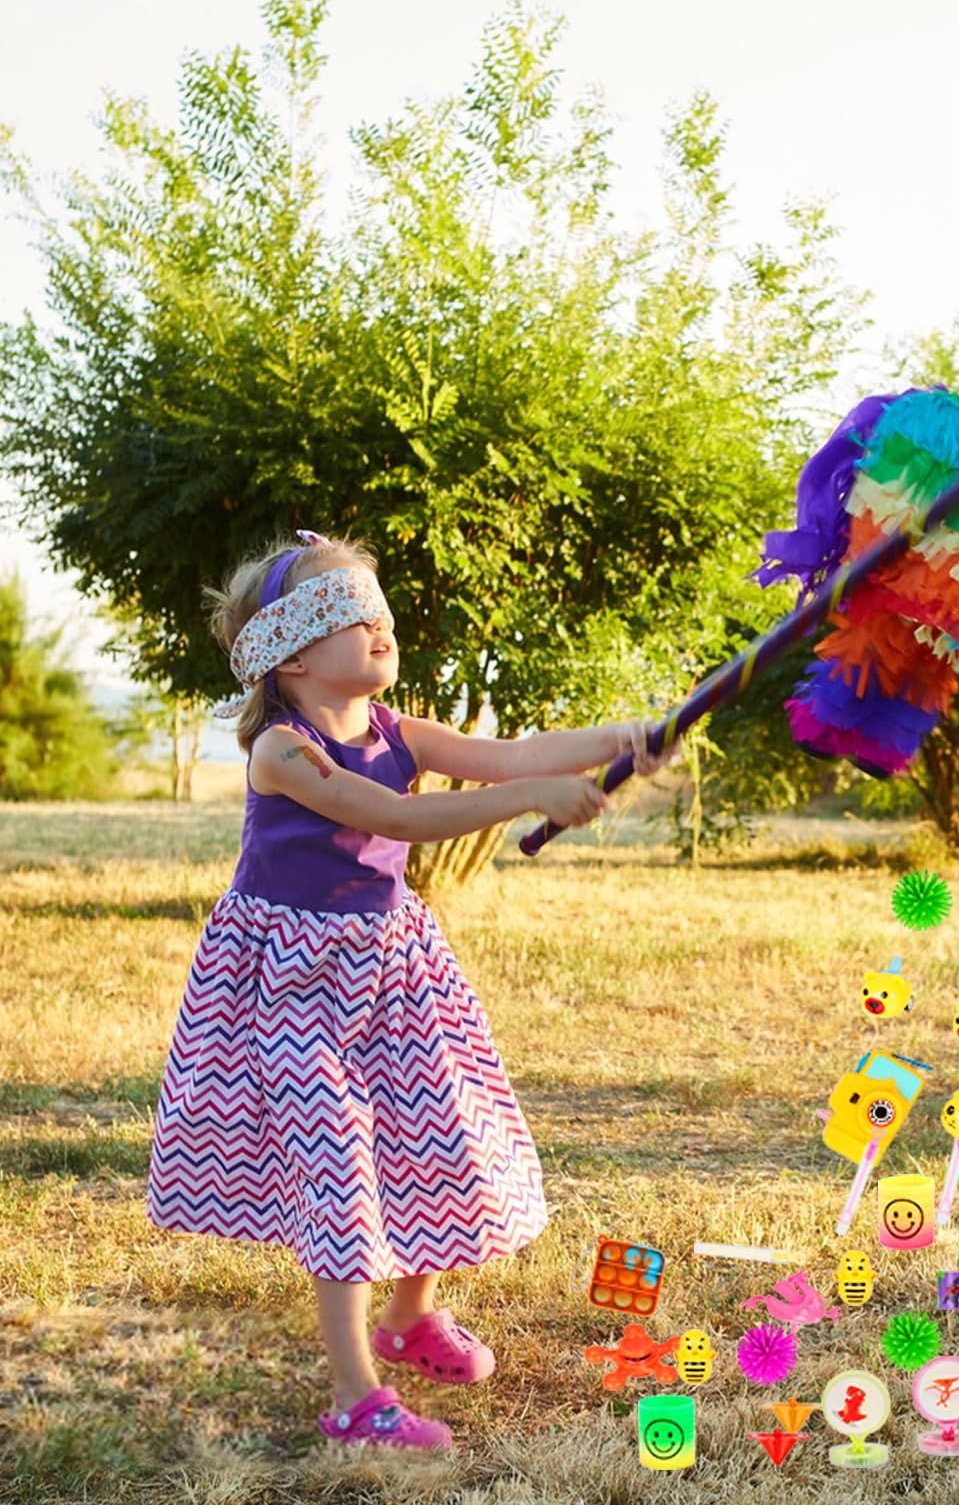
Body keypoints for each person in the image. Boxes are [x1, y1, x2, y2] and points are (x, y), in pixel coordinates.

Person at [145, 529, 677, 1450]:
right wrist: (534, 798)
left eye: (381, 611)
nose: (384, 628)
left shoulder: (397, 729)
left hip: (392, 970)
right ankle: (357, 1395)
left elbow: (512, 753)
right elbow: (394, 816)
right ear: (294, 650)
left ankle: (408, 1319)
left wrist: (632, 738)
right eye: (356, 614)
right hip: (293, 990)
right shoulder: (283, 750)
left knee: (435, 1140)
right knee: (343, 1171)